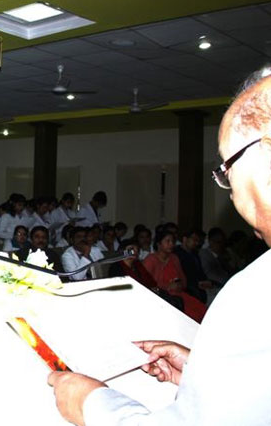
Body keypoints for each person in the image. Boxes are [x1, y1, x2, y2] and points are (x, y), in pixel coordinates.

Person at [48, 68, 271, 425]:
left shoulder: (256, 293)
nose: (229, 191)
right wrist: (203, 374)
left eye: (227, 170)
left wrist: (91, 402)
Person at [143, 230, 206, 322]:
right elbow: (144, 283)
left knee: (202, 311)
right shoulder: (151, 259)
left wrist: (179, 284)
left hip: (178, 295)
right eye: (168, 241)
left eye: (173, 241)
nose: (171, 244)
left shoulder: (174, 258)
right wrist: (167, 286)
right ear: (159, 244)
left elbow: (183, 280)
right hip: (161, 297)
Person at [175, 228, 211, 303]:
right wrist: (197, 284)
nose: (197, 243)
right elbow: (181, 274)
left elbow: (200, 271)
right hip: (188, 287)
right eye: (194, 240)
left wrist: (205, 281)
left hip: (200, 285)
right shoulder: (177, 254)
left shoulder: (195, 254)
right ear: (185, 239)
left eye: (198, 241)